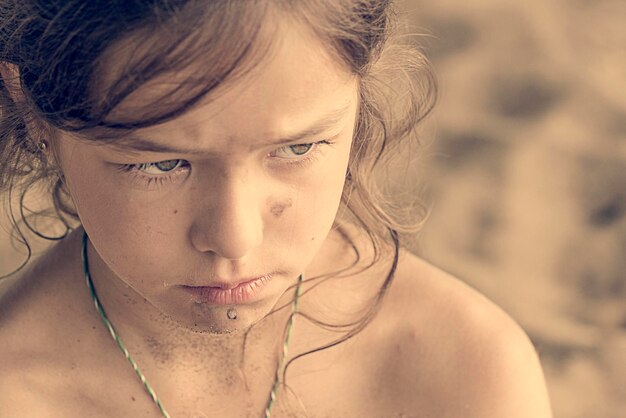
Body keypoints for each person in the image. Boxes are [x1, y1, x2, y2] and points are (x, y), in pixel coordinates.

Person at [0, 1, 553, 417]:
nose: (236, 238)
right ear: (31, 111)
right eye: (163, 165)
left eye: (297, 149)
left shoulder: (465, 370)